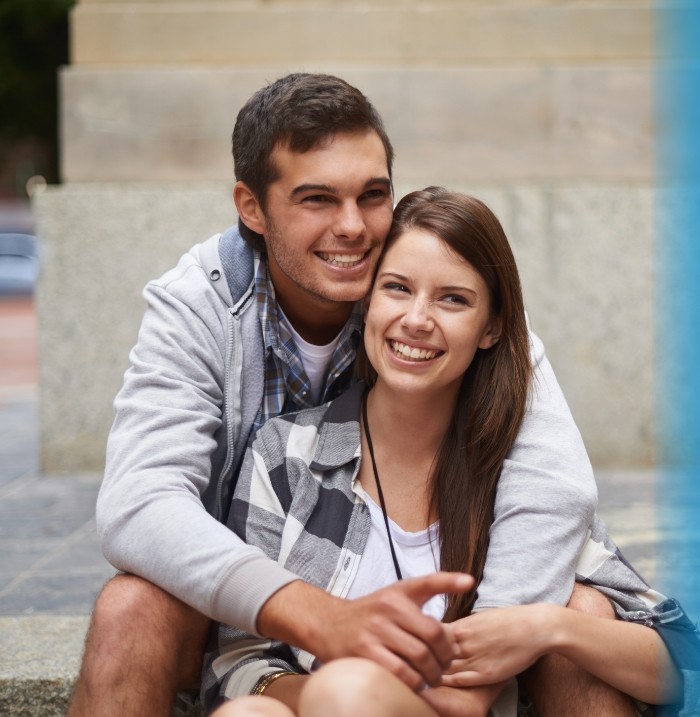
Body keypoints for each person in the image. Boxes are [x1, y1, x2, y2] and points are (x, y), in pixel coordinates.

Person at [68, 74, 601, 717]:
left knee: (581, 612)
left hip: (434, 642)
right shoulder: (199, 305)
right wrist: (320, 619)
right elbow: (138, 503)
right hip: (226, 612)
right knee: (130, 607)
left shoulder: (420, 295)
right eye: (317, 199)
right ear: (252, 207)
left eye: (372, 196)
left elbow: (555, 484)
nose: (352, 228)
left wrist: (480, 661)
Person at [200, 188, 690, 717]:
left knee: (584, 606)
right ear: (366, 303)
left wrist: (548, 626)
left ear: (493, 328)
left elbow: (683, 667)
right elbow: (238, 659)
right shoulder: (286, 455)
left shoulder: (524, 470)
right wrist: (336, 699)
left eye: (452, 299)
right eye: (397, 288)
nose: (416, 318)